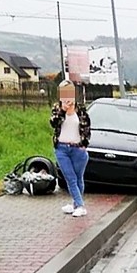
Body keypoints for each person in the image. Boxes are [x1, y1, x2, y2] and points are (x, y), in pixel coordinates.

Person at [50, 80, 91, 217]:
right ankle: (80, 205)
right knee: (70, 177)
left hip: (77, 148)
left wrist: (84, 144)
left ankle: (75, 203)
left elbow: (87, 128)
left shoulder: (81, 110)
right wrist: (63, 110)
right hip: (62, 148)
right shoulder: (57, 109)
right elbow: (53, 123)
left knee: (78, 178)